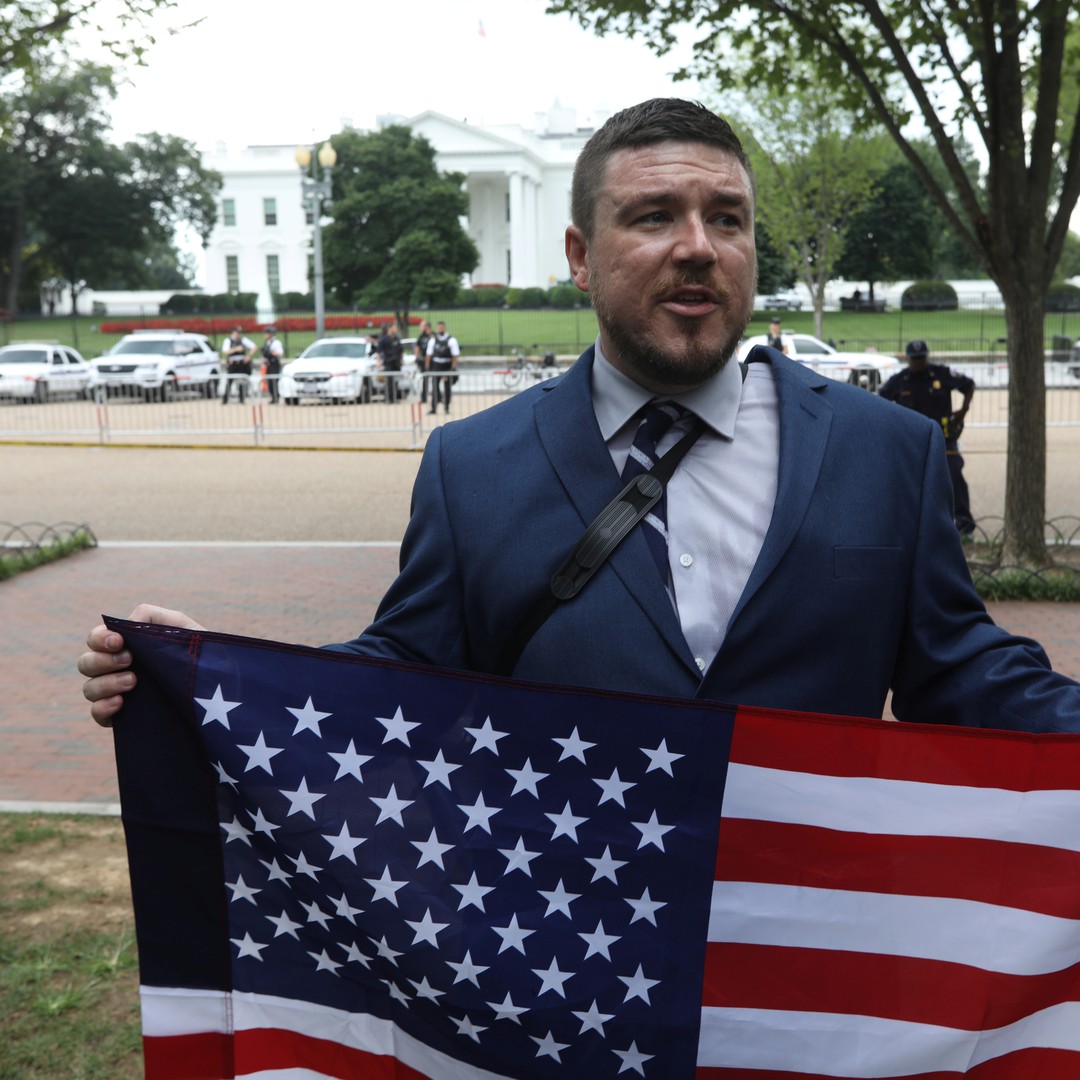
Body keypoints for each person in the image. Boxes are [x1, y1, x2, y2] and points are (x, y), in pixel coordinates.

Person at [79, 97, 1080, 736]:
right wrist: (205, 672)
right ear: (577, 254)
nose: (699, 247)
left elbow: (960, 671)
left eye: (726, 218)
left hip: (805, 971)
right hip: (575, 976)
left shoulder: (883, 451)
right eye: (654, 217)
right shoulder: (475, 466)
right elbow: (402, 673)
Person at [880, 339, 976, 539]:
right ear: (908, 359)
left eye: (921, 358)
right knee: (906, 481)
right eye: (914, 359)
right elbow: (880, 400)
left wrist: (963, 410)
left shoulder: (941, 374)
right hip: (911, 440)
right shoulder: (900, 380)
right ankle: (907, 525)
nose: (918, 362)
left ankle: (964, 525)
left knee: (953, 476)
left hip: (943, 438)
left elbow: (968, 385)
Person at [425, 321, 459, 414]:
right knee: (435, 387)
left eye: (441, 327)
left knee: (447, 387)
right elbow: (429, 355)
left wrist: (452, 369)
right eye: (438, 328)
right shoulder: (433, 340)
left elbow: (455, 356)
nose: (440, 329)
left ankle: (446, 407)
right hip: (436, 365)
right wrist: (428, 367)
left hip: (447, 365)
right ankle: (434, 407)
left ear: (445, 328)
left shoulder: (451, 340)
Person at [220, 326, 255, 405]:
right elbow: (225, 352)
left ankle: (242, 399)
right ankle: (225, 399)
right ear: (233, 332)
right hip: (233, 364)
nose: (238, 334)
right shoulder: (228, 340)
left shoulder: (243, 340)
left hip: (242, 363)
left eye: (239, 333)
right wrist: (236, 349)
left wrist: (248, 356)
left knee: (242, 382)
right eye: (237, 333)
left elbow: (254, 347)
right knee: (229, 381)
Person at [376, 321, 404, 404]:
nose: (396, 329)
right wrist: (378, 362)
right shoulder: (384, 339)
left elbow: (401, 350)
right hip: (388, 362)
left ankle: (395, 398)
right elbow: (378, 351)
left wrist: (402, 360)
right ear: (389, 328)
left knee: (395, 381)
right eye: (395, 327)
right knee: (388, 381)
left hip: (396, 362)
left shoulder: (397, 338)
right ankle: (388, 398)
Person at [260, 327, 284, 404]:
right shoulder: (268, 342)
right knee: (269, 381)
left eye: (267, 333)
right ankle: (273, 397)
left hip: (274, 364)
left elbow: (280, 353)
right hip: (268, 364)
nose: (265, 335)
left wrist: (271, 353)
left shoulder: (276, 342)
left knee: (274, 381)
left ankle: (276, 397)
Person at [415, 319, 434, 405]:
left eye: (422, 326)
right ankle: (424, 397)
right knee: (425, 380)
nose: (420, 328)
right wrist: (417, 357)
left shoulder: (433, 336)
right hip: (424, 361)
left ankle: (437, 397)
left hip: (433, 361)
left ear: (427, 327)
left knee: (435, 380)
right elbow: (417, 347)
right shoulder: (421, 336)